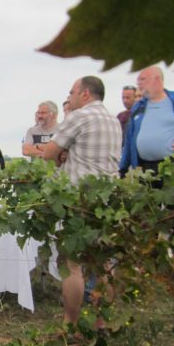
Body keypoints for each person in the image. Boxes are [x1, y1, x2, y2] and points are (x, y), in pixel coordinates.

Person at [43, 76, 122, 324]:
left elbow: (48, 153)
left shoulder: (79, 117)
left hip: (79, 200)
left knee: (73, 266)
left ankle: (71, 322)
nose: (70, 97)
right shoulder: (113, 120)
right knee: (103, 264)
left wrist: (62, 155)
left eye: (72, 92)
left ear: (85, 94)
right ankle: (102, 321)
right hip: (108, 201)